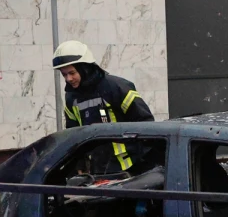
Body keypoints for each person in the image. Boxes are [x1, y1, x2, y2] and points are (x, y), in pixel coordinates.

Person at [52, 40, 154, 173]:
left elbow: (146, 124)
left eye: (72, 73)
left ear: (85, 69)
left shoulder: (116, 87)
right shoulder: (72, 98)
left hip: (131, 168)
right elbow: (74, 135)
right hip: (99, 170)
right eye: (64, 74)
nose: (68, 79)